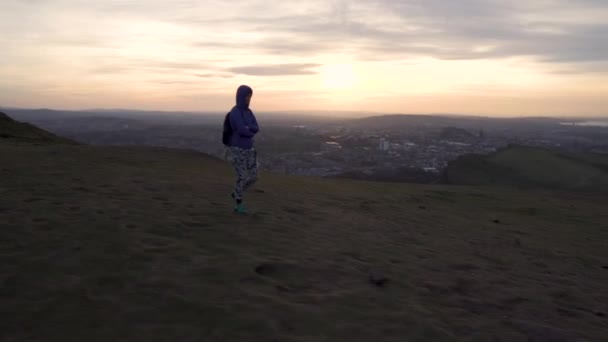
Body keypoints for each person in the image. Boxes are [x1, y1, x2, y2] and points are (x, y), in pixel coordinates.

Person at [228, 85, 259, 214]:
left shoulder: (249, 112)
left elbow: (256, 127)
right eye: (246, 96)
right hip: (237, 148)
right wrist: (249, 130)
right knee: (242, 176)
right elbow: (241, 129)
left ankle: (236, 192)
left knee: (254, 175)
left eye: (250, 96)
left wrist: (248, 129)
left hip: (249, 148)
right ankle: (239, 204)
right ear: (240, 96)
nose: (248, 99)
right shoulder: (235, 112)